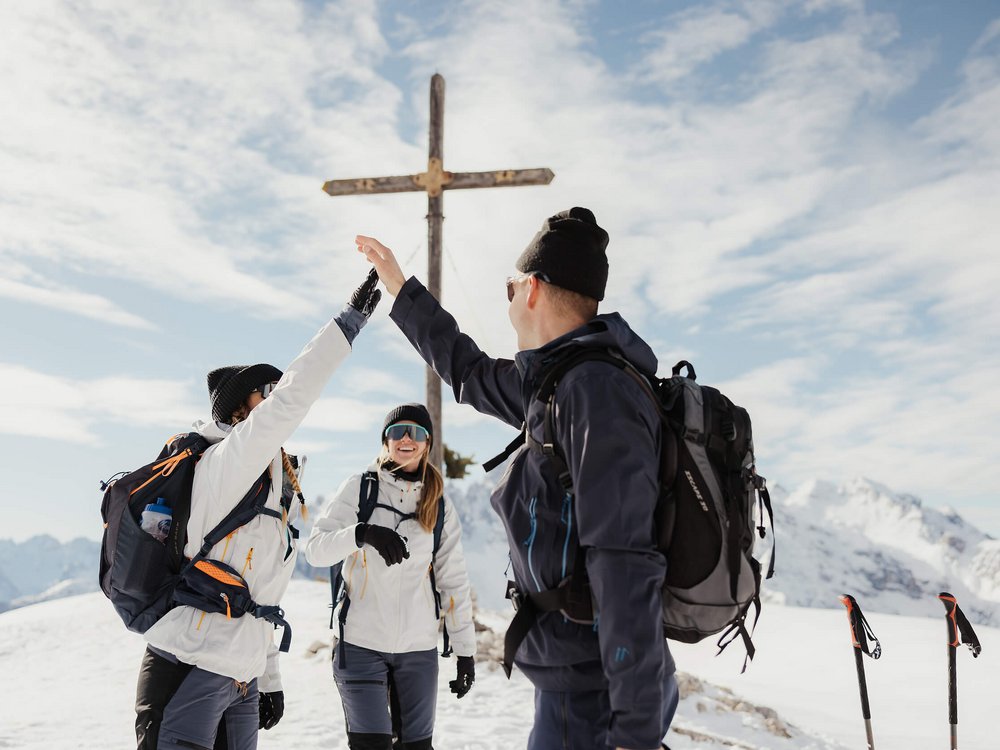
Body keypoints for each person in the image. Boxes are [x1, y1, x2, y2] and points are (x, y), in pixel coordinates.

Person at [356, 208, 679, 750]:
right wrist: (400, 288)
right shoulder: (556, 384)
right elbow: (468, 371)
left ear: (532, 289)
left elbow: (625, 561)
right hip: (571, 680)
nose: (507, 296)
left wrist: (635, 733)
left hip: (595, 695)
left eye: (510, 284)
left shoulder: (595, 393)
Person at [134, 269, 383, 750]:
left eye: (274, 391)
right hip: (185, 666)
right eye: (263, 394)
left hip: (239, 681)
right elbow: (293, 398)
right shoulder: (224, 462)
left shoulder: (273, 488)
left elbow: (258, 593)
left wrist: (266, 677)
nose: (274, 398)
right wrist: (347, 324)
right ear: (239, 414)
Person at [304, 403, 477, 750]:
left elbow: (453, 579)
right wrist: (361, 533)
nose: (407, 439)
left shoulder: (438, 503)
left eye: (417, 432)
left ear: (428, 443)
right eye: (398, 431)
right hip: (360, 644)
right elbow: (315, 549)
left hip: (418, 648)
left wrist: (465, 650)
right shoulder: (360, 489)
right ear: (386, 440)